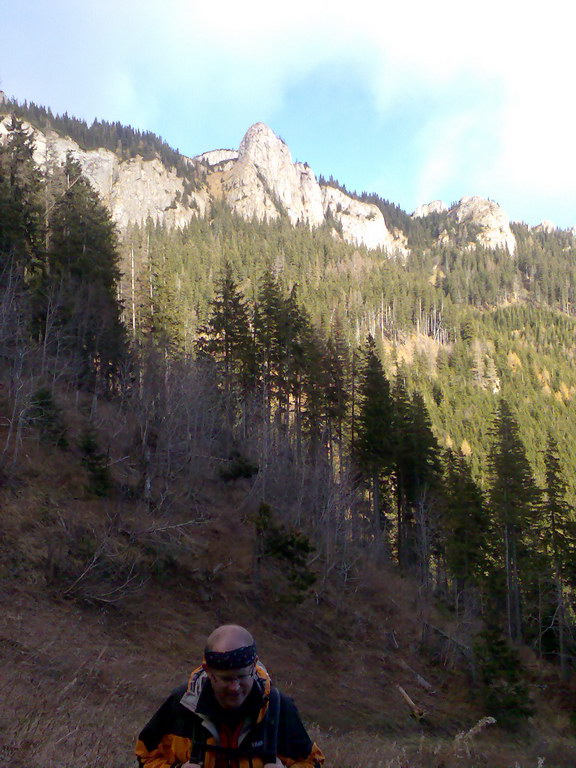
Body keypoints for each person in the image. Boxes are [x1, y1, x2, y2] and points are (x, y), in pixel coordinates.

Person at [136, 624, 324, 768]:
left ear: (254, 665)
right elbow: (145, 756)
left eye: (242, 677)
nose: (235, 688)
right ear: (208, 671)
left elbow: (313, 762)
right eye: (226, 679)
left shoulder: (278, 707)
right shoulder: (181, 705)